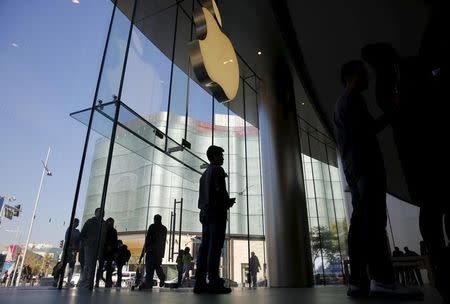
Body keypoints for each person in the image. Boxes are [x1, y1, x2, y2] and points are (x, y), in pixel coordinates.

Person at [334, 61, 421, 299]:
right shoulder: (352, 99)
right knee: (374, 221)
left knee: (360, 222)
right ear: (352, 75)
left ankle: (358, 281)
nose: (367, 78)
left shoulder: (341, 104)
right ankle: (382, 279)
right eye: (364, 73)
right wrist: (392, 112)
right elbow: (368, 129)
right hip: (366, 166)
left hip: (354, 168)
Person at [194, 145, 236, 294]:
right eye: (220, 155)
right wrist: (227, 202)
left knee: (205, 248)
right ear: (214, 157)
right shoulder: (218, 170)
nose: (223, 158)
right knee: (215, 247)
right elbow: (220, 192)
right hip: (217, 213)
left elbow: (203, 197)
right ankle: (214, 281)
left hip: (205, 213)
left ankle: (199, 282)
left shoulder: (203, 175)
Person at [78, 207, 104, 289]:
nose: (102, 214)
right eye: (100, 212)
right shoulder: (90, 222)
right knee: (88, 265)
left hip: (98, 247)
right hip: (90, 246)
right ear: (95, 213)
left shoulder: (103, 223)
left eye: (103, 212)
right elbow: (82, 234)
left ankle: (89, 282)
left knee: (93, 266)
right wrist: (87, 243)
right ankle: (85, 283)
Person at [139, 214, 167, 289]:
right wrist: (162, 254)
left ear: (154, 219)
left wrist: (143, 253)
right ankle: (162, 277)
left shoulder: (152, 227)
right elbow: (163, 242)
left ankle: (149, 283)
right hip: (159, 252)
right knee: (157, 266)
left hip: (151, 251)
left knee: (149, 268)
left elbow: (148, 239)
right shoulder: (164, 228)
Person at [95, 217, 117, 288]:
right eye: (110, 222)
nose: (111, 224)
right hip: (104, 250)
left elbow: (115, 242)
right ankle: (99, 282)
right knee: (102, 267)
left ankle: (106, 282)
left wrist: (113, 249)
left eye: (112, 222)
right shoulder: (104, 230)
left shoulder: (112, 231)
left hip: (109, 251)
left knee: (107, 268)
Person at [64, 218, 80, 287]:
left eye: (77, 223)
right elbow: (67, 238)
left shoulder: (77, 231)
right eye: (76, 223)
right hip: (68, 250)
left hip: (73, 251)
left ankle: (69, 281)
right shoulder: (69, 230)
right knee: (64, 264)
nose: (77, 224)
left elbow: (79, 240)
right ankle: (60, 278)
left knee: (71, 266)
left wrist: (77, 248)